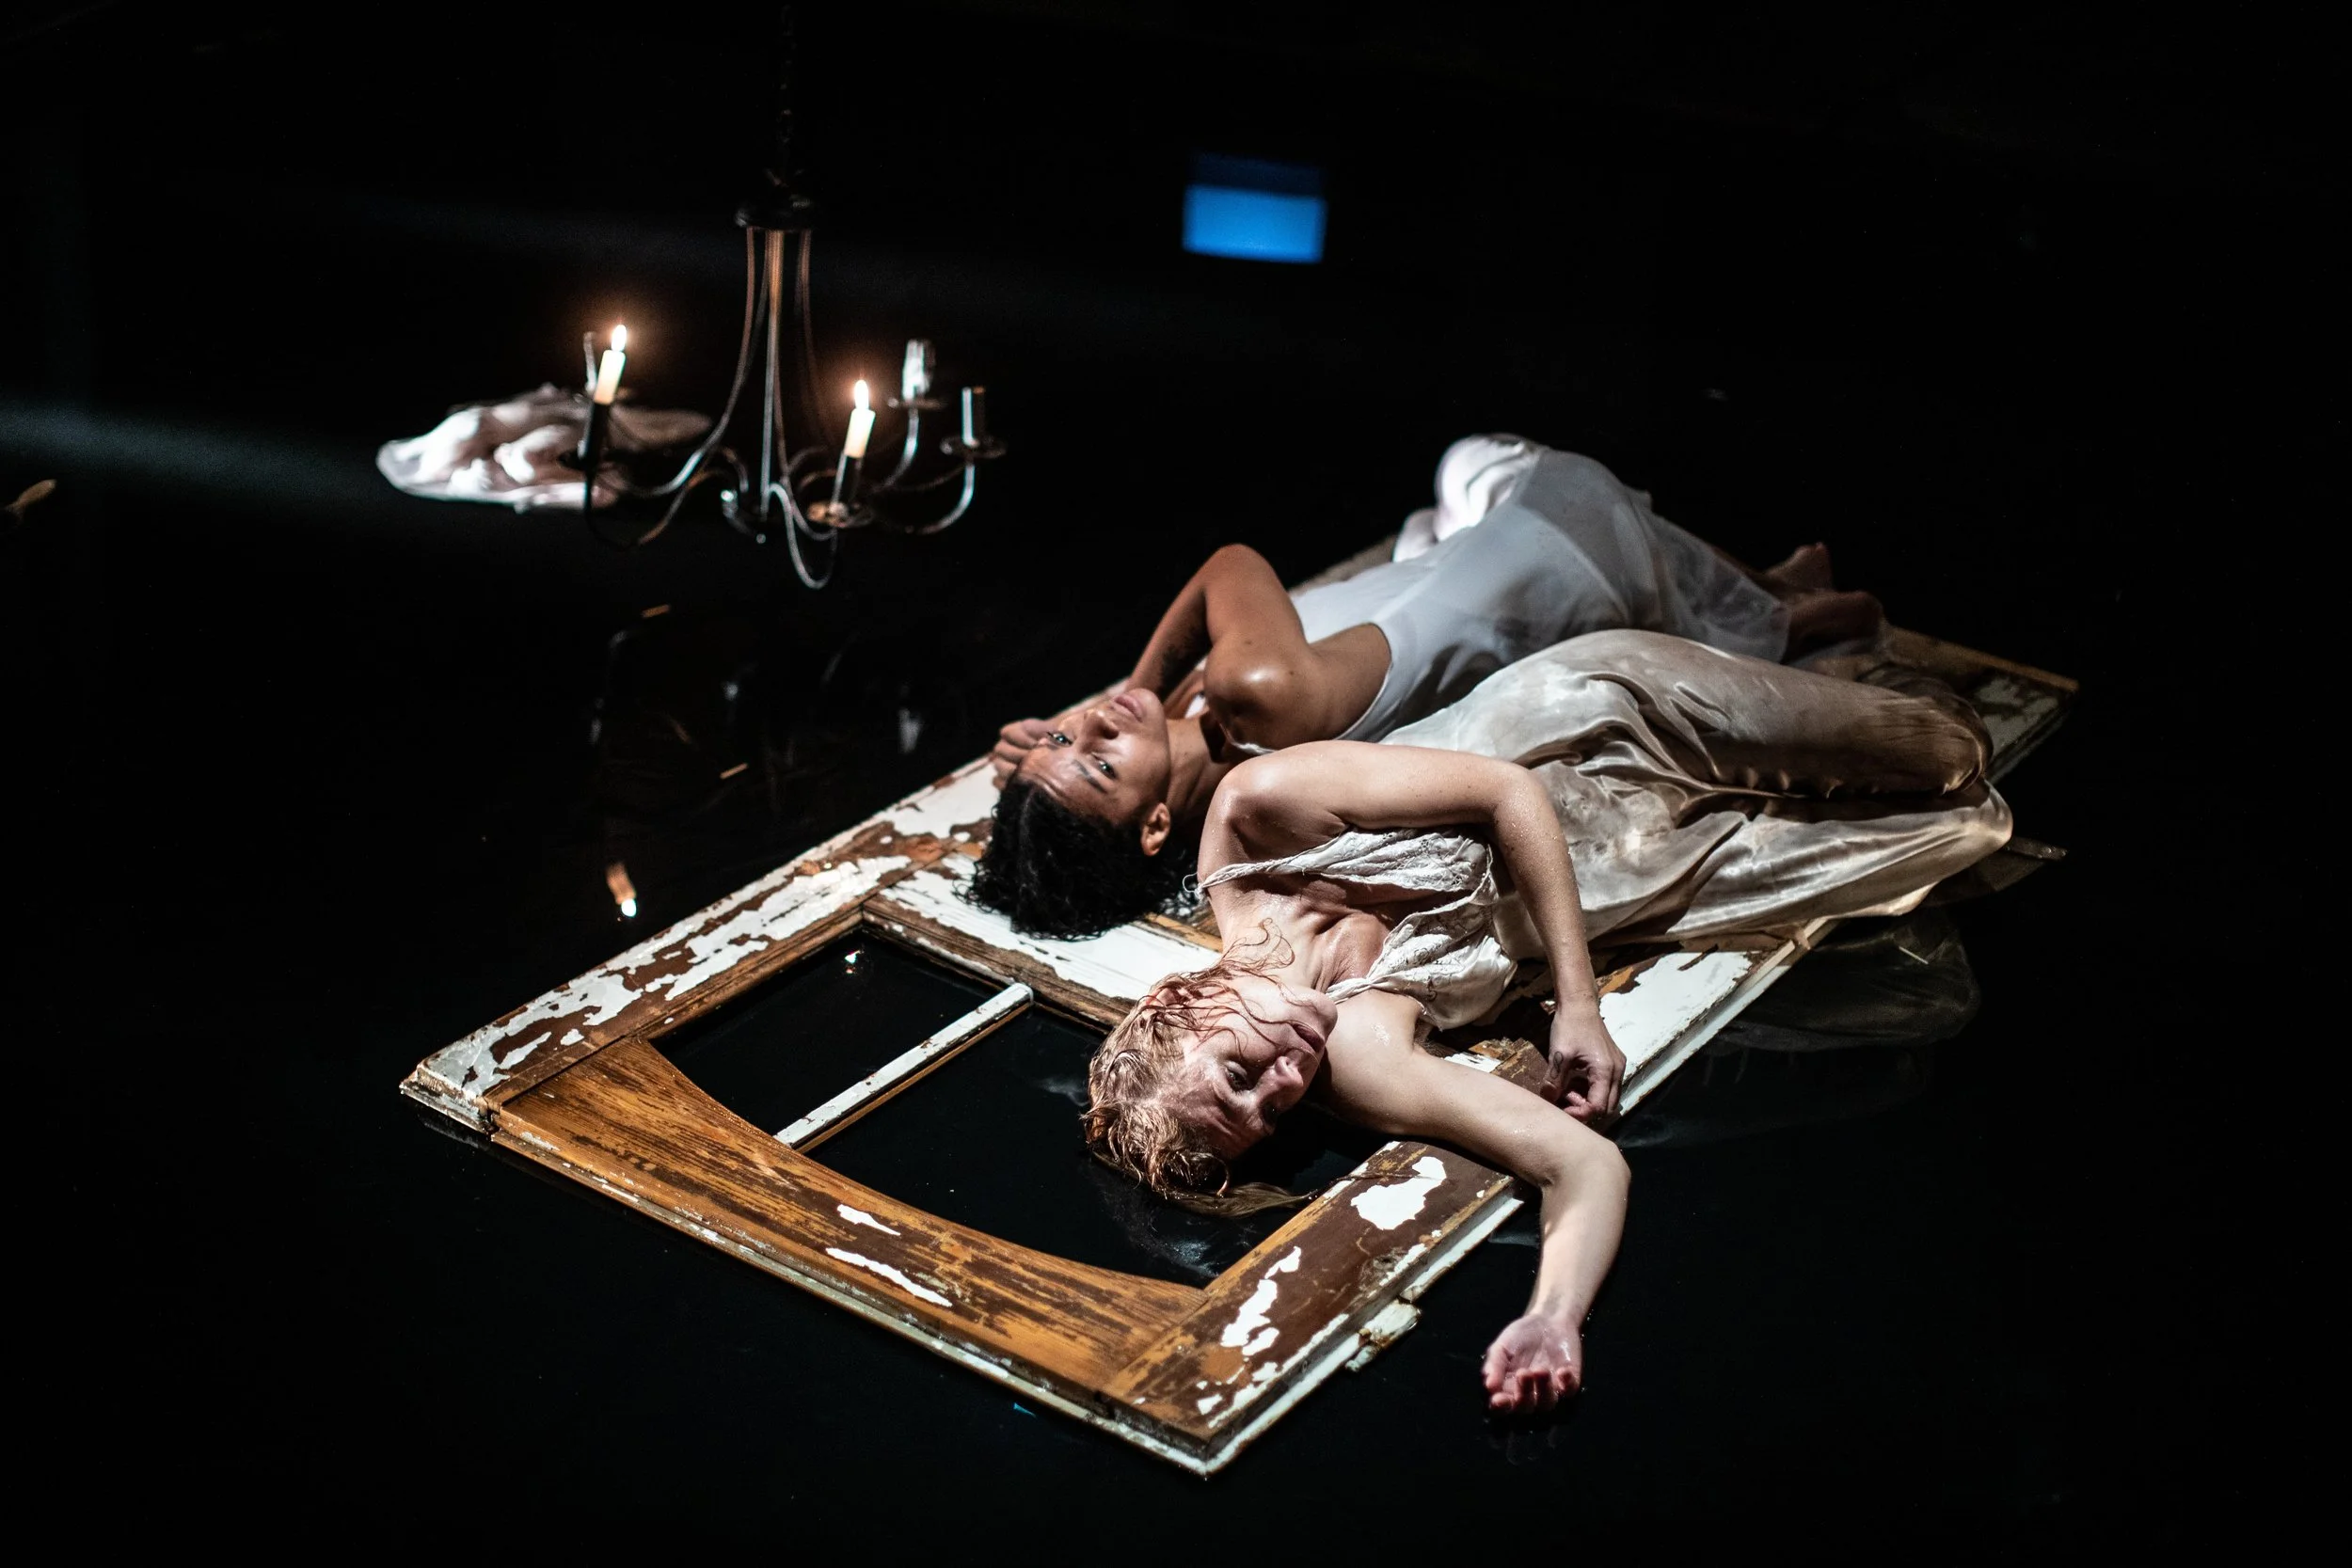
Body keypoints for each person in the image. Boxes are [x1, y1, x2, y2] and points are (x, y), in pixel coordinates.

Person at [1081, 629, 2009, 1416]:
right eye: (1271, 1112)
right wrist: (1552, 1314)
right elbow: (1580, 1161)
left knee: (1948, 750)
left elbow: (1501, 792)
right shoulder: (1354, 1055)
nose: (1285, 1084)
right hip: (1641, 876)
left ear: (1184, 1006)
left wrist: (1577, 1003)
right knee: (1970, 826)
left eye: (1241, 1074)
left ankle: (1825, 658)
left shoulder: (1251, 821)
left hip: (1584, 728)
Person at [973, 436, 1884, 938]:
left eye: (1064, 733)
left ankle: (1776, 590)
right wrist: (1136, 689)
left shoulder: (1221, 779)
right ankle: (1795, 612)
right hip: (1571, 547)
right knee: (1465, 462)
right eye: (1097, 759)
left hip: (1547, 575)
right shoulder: (1253, 691)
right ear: (1156, 825)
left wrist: (1085, 743)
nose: (1089, 719)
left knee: (1438, 525)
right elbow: (1229, 561)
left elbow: (1109, 743)